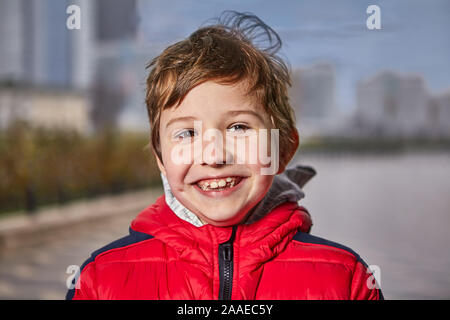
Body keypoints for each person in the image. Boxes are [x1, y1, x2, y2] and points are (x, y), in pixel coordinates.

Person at [66, 11, 383, 300]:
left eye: (239, 127)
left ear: (283, 149)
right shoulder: (100, 281)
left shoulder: (345, 280)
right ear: (161, 158)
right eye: (187, 133)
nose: (214, 155)